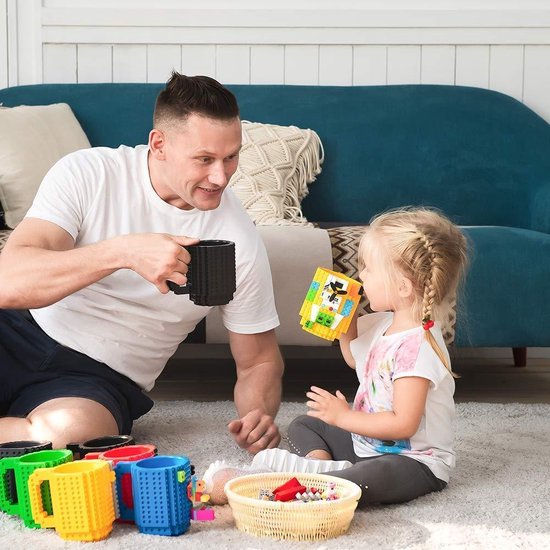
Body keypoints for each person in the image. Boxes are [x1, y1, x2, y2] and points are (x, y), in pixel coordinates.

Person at [0, 72, 284, 453]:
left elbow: (259, 361)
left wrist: (259, 415)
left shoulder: (237, 239)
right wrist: (124, 252)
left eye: (231, 157)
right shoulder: (90, 174)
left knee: (65, 436)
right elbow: (8, 281)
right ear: (159, 144)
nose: (220, 177)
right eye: (204, 159)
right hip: (17, 331)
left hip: (96, 379)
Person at [206, 206, 468, 507]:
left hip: (412, 460)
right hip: (366, 444)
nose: (361, 275)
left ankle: (315, 482)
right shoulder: (385, 323)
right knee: (305, 425)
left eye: (368, 268)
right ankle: (322, 467)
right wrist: (345, 324)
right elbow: (357, 360)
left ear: (403, 287)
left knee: (371, 478)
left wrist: (345, 417)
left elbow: (403, 425)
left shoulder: (417, 349)